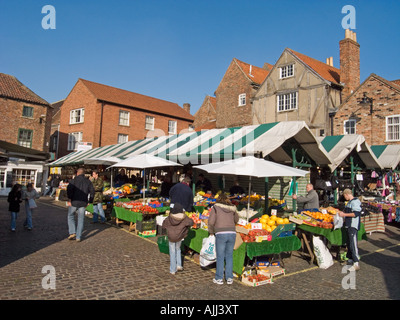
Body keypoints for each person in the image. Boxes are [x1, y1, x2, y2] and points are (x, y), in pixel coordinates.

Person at [208, 193, 239, 285]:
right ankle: (229, 278)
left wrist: (211, 232)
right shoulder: (233, 208)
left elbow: (211, 222)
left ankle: (219, 278)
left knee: (220, 256)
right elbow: (236, 220)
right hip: (232, 233)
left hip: (221, 233)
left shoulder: (215, 208)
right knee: (229, 256)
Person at [162, 202, 193, 275]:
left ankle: (172, 270)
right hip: (180, 237)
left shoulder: (169, 217)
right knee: (178, 249)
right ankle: (179, 265)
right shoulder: (184, 217)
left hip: (171, 237)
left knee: (172, 252)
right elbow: (191, 222)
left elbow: (164, 225)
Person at [67, 168, 95, 242]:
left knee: (70, 216)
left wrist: (69, 199)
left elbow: (69, 190)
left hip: (74, 201)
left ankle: (72, 232)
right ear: (84, 174)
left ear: (77, 173)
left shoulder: (73, 181)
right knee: (81, 219)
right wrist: (90, 201)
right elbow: (92, 191)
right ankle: (78, 236)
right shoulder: (88, 181)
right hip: (83, 202)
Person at [338, 189, 362, 271]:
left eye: (344, 196)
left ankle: (356, 263)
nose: (345, 198)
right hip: (348, 225)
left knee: (353, 244)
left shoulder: (355, 202)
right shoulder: (350, 202)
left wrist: (344, 214)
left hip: (353, 226)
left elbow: (356, 214)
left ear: (347, 194)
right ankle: (350, 259)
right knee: (349, 243)